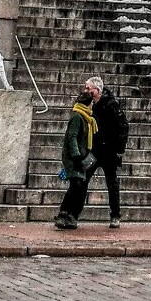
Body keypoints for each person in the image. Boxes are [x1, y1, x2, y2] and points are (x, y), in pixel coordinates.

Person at [52, 86, 98, 230]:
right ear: (88, 103)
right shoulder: (78, 116)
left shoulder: (86, 117)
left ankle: (68, 215)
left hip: (79, 156)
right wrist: (77, 156)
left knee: (76, 187)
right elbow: (72, 137)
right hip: (73, 158)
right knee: (76, 187)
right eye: (91, 103)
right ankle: (64, 214)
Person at [87, 76, 130, 229]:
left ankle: (115, 214)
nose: (86, 91)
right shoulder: (91, 104)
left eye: (88, 89)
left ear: (96, 91)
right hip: (95, 149)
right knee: (82, 179)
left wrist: (119, 149)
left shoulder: (111, 105)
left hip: (108, 151)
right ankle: (71, 213)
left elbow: (123, 126)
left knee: (112, 183)